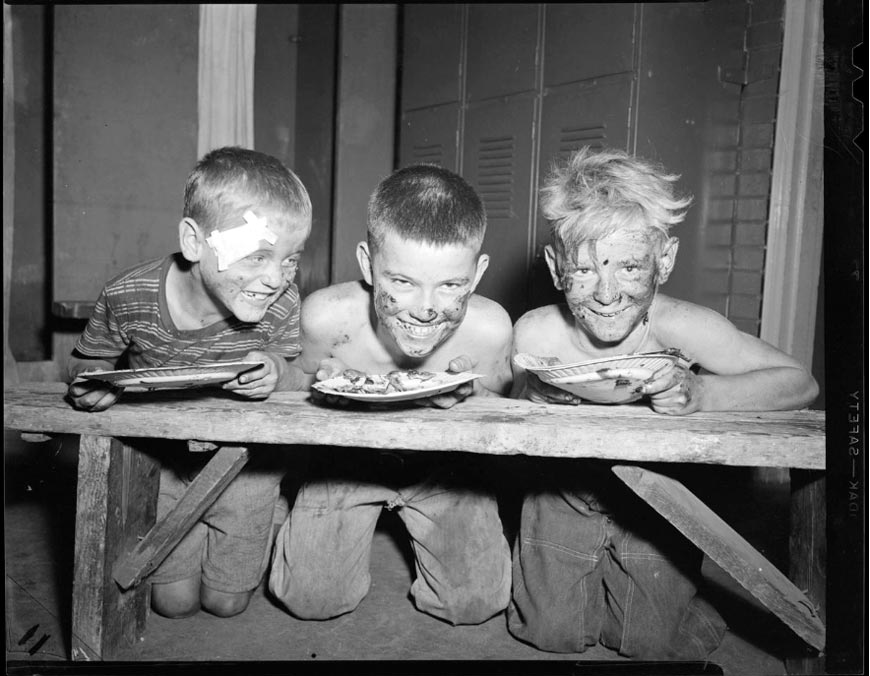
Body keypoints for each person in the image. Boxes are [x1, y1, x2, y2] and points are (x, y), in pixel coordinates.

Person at [507, 146, 819, 659]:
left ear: (665, 260)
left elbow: (799, 381)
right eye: (584, 271)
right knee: (548, 634)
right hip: (561, 489)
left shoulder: (684, 326)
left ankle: (691, 604)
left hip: (658, 495)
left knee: (646, 644)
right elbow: (506, 413)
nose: (606, 293)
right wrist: (534, 394)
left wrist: (702, 393)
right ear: (555, 267)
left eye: (630, 267)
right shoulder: (538, 333)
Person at [66, 146, 312, 619]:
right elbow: (86, 365)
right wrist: (91, 383)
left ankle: (267, 514)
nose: (274, 279)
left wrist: (278, 374)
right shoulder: (127, 295)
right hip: (161, 462)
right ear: (195, 242)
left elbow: (296, 374)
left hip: (245, 467)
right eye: (258, 255)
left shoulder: (283, 303)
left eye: (289, 260)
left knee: (226, 604)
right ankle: (196, 525)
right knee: (172, 604)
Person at [268, 164, 513, 625]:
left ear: (477, 274)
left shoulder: (490, 329)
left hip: (447, 467)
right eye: (401, 282)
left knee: (474, 604)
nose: (425, 309)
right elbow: (292, 394)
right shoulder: (326, 318)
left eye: (450, 285)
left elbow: (505, 422)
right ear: (367, 264)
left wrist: (472, 397)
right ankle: (293, 515)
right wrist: (322, 393)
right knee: (311, 601)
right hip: (346, 459)